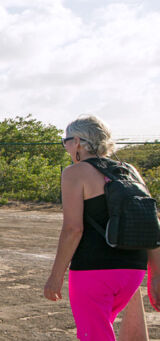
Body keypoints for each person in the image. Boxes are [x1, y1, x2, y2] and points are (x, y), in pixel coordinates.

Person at [43, 115, 160, 340]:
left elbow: (73, 229)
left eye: (66, 141)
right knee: (102, 327)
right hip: (133, 270)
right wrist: (156, 275)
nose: (65, 147)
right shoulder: (129, 171)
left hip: (93, 269)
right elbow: (151, 224)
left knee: (94, 334)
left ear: (77, 142)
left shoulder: (74, 173)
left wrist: (55, 276)